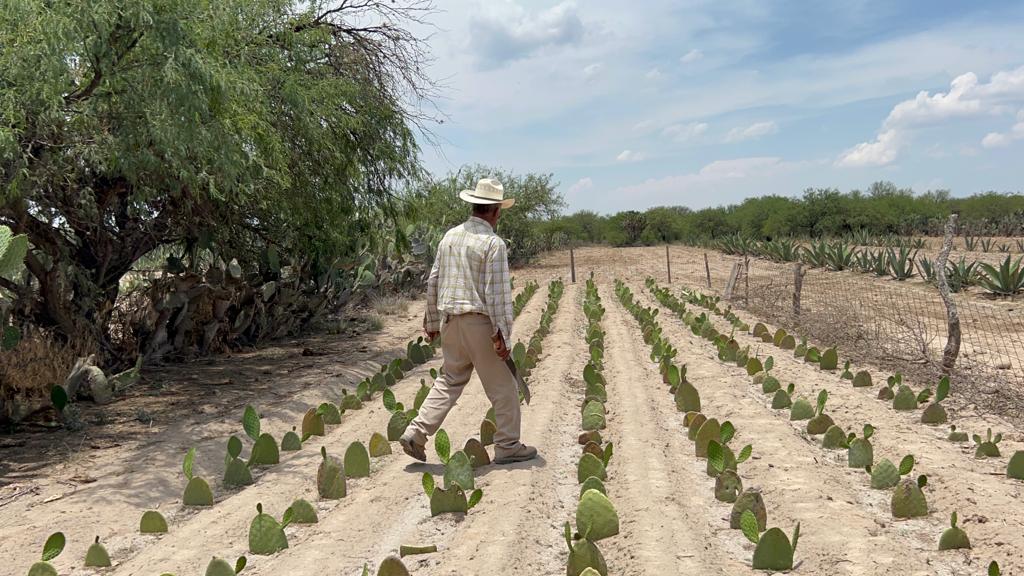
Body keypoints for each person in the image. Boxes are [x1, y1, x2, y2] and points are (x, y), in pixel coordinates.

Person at [399, 178, 538, 465]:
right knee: (503, 387)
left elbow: (434, 280)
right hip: (480, 324)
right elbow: (497, 294)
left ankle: (416, 432)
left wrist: (433, 322)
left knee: (449, 379)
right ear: (497, 210)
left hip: (451, 322)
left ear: (473, 205)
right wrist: (503, 337)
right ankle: (508, 445)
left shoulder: (449, 236)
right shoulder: (492, 244)